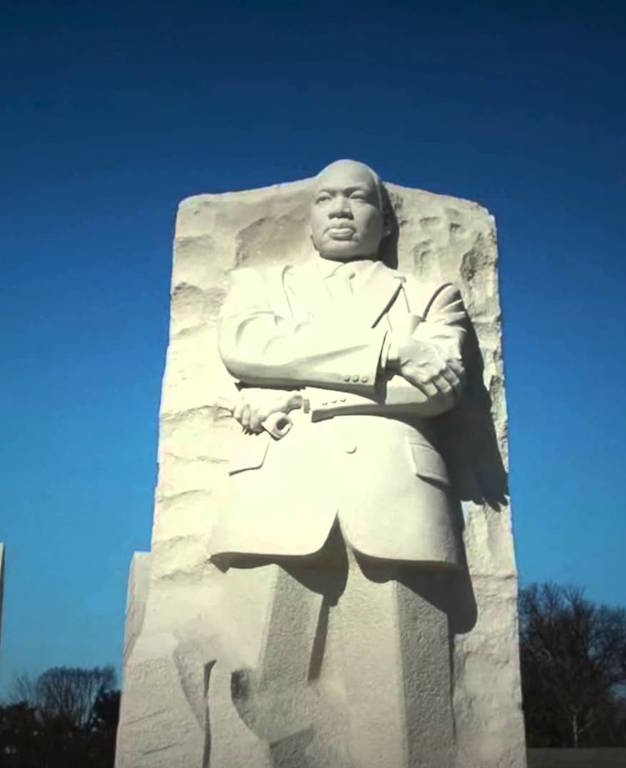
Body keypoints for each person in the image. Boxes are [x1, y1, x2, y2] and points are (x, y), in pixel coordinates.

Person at [209, 159, 470, 766]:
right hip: (276, 495)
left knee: (408, 711)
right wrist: (391, 349)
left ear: (384, 220)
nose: (343, 210)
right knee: (256, 697)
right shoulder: (262, 286)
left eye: (358, 199)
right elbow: (247, 350)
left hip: (396, 499)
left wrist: (299, 390)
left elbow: (437, 390)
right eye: (327, 198)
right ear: (309, 217)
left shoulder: (429, 293)